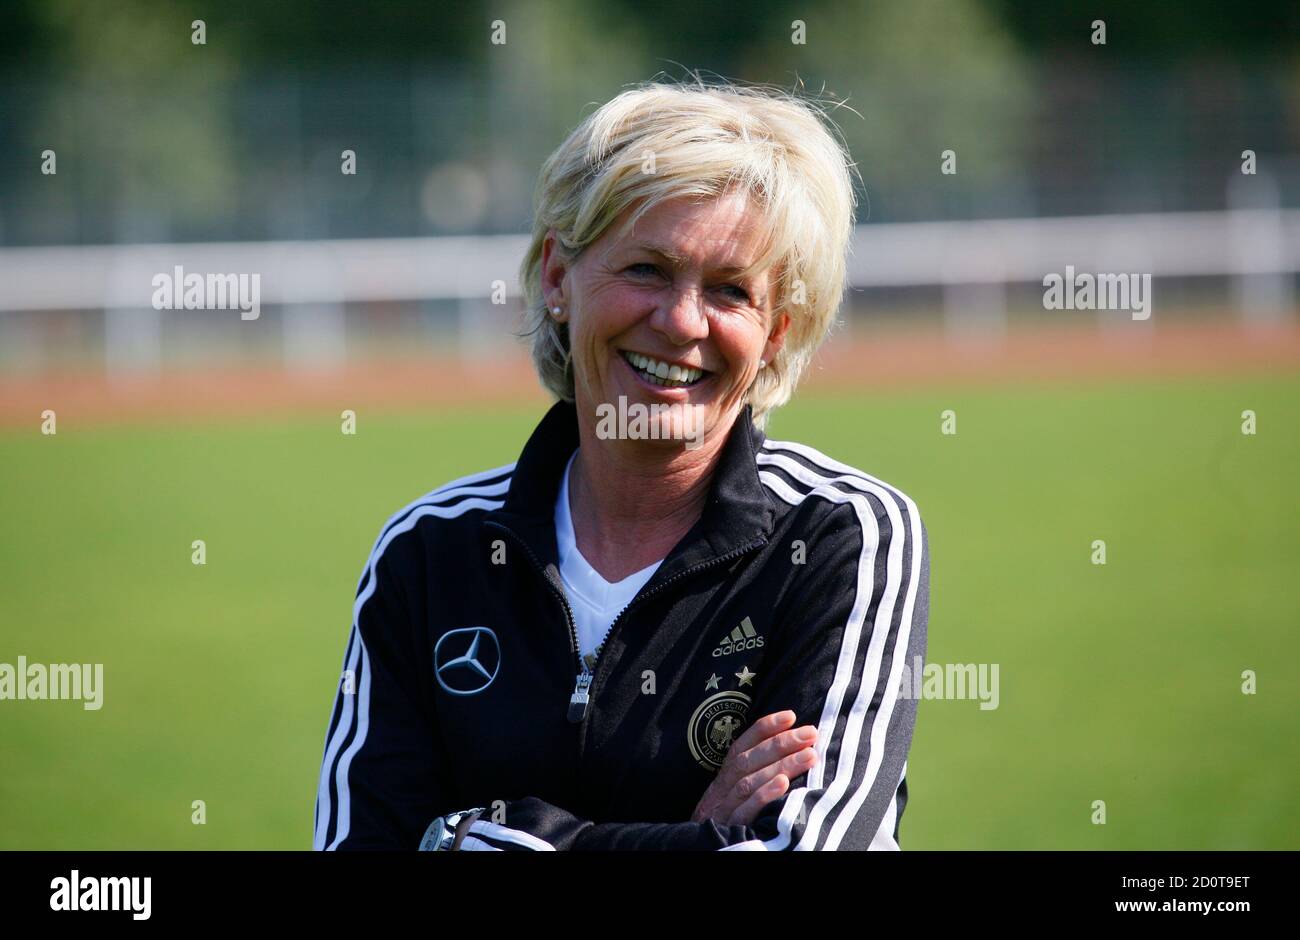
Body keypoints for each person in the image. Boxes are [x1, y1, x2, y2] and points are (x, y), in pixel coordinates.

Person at [314, 76, 929, 851]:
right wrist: (694, 836)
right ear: (557, 279)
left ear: (776, 333)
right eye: (646, 269)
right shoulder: (429, 554)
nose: (680, 322)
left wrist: (476, 837)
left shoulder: (844, 535)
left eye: (731, 291)